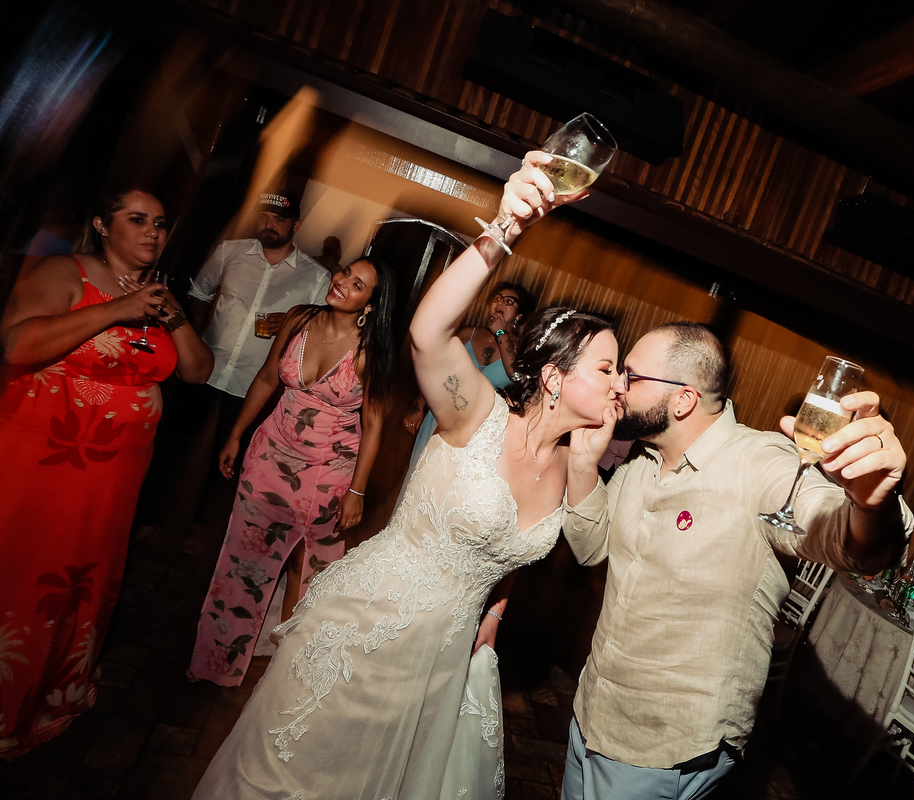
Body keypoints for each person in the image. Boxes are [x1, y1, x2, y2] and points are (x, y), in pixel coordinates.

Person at [191, 152, 616, 799]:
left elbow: (517, 553)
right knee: (296, 774)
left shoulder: (569, 465)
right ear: (555, 377)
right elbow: (426, 332)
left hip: (441, 659)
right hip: (369, 622)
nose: (621, 383)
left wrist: (495, 612)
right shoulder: (476, 413)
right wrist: (504, 226)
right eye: (608, 368)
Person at [560, 323, 913, 800]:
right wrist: (582, 466)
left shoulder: (760, 463)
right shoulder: (643, 462)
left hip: (665, 745)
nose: (618, 386)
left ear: (683, 399)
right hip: (593, 711)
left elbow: (852, 545)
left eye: (632, 376)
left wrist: (872, 505)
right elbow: (592, 547)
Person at [0, 188, 213, 758]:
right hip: (45, 458)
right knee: (26, 568)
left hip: (116, 473)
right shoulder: (65, 271)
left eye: (161, 224)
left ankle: (52, 690)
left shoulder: (156, 294)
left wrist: (175, 317)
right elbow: (17, 342)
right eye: (137, 220)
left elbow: (196, 371)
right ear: (101, 224)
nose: (152, 233)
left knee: (82, 574)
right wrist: (118, 310)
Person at [188, 255, 398, 686]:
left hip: (330, 474)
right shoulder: (301, 319)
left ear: (370, 304)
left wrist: (357, 492)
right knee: (241, 561)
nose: (341, 283)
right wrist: (236, 435)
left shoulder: (368, 350)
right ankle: (215, 664)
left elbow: (374, 424)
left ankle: (289, 674)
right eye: (344, 272)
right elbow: (267, 378)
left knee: (311, 572)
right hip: (270, 457)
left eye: (357, 285)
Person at [184, 191, 331, 528]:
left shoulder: (315, 277)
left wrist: (293, 327)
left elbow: (323, 333)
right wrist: (194, 340)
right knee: (184, 447)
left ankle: (207, 529)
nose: (269, 224)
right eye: (265, 217)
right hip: (208, 368)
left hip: (254, 383)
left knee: (229, 459)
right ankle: (160, 519)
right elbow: (199, 293)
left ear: (297, 226)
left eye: (279, 219)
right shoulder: (230, 252)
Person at [399, 280, 535, 499]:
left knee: (448, 494)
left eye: (509, 301)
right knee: (418, 484)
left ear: (520, 314)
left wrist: (501, 334)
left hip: (477, 433)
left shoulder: (522, 350)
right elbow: (437, 371)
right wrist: (419, 405)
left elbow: (516, 376)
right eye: (497, 298)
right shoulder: (467, 334)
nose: (500, 303)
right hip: (439, 418)